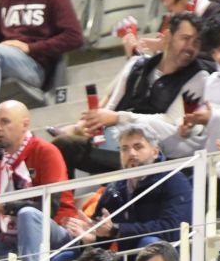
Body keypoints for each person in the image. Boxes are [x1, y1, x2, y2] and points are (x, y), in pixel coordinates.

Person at [51, 19, 207, 174]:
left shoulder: (197, 78)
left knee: (65, 144)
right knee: (59, 148)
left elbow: (172, 125)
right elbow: (112, 105)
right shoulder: (138, 64)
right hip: (117, 141)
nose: (190, 47)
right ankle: (65, 199)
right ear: (168, 37)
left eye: (197, 42)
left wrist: (120, 117)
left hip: (155, 155)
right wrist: (94, 123)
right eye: (185, 38)